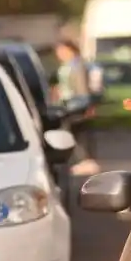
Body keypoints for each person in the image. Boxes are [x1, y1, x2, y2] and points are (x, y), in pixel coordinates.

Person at [55, 39, 99, 176]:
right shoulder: (68, 65)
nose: (59, 54)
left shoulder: (77, 65)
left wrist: (87, 105)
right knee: (73, 133)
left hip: (77, 104)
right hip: (67, 104)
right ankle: (81, 161)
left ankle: (86, 161)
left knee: (79, 134)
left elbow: (82, 87)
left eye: (61, 51)